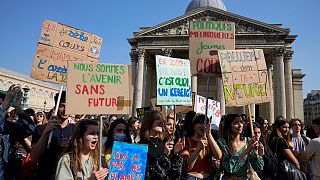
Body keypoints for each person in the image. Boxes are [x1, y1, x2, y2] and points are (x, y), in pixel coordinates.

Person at [31, 91, 75, 179]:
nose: (65, 110)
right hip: (44, 175)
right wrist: (46, 133)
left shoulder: (76, 130)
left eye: (68, 106)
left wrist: (70, 147)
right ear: (56, 107)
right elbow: (34, 158)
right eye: (62, 106)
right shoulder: (41, 129)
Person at [218, 113, 264, 179]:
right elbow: (230, 168)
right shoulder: (223, 142)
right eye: (236, 123)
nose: (240, 125)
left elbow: (259, 167)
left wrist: (256, 153)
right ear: (229, 125)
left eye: (241, 122)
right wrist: (246, 151)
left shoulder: (248, 141)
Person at [140, 110, 184, 180]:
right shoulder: (140, 146)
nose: (161, 122)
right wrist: (164, 155)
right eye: (157, 119)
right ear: (148, 122)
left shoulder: (165, 144)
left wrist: (175, 155)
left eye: (162, 120)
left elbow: (175, 175)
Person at [182, 113, 222, 179]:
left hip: (209, 177)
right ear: (194, 125)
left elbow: (218, 156)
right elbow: (188, 166)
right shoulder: (185, 141)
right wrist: (198, 149)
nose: (203, 126)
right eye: (200, 123)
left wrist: (209, 134)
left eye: (205, 124)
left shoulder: (209, 141)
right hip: (192, 177)